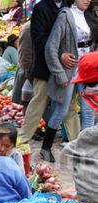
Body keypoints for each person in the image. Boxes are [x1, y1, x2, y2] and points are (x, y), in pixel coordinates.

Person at [42, 0, 98, 162]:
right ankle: (46, 148)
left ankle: (85, 151)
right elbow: (50, 47)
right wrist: (59, 72)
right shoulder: (65, 16)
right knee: (61, 110)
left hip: (88, 71)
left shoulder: (89, 17)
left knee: (89, 112)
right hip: (69, 71)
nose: (87, 0)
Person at [17, 0, 80, 144]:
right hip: (45, 67)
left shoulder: (68, 6)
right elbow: (39, 39)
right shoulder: (41, 8)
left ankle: (77, 142)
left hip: (67, 69)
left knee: (69, 107)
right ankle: (22, 140)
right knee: (38, 103)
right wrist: (59, 55)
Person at [12, 21, 32, 106]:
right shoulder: (28, 28)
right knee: (23, 103)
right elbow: (25, 53)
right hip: (26, 71)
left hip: (31, 70)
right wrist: (28, 71)